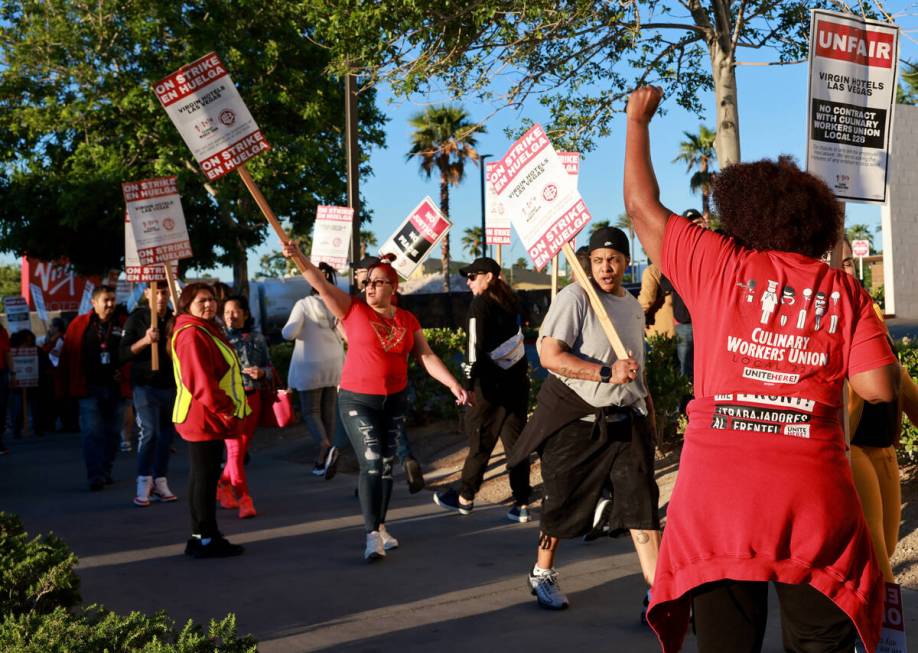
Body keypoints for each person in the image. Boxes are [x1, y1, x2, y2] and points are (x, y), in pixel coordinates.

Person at [624, 86, 900, 653]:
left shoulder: (715, 262)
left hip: (717, 497)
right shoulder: (841, 288)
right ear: (817, 224)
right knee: (820, 641)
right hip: (813, 496)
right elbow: (877, 387)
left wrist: (637, 123)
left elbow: (641, 207)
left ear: (743, 213)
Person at [283, 243, 470, 561]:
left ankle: (381, 527)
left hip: (394, 401)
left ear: (393, 287)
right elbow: (319, 282)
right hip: (358, 400)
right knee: (371, 463)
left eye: (377, 282)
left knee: (385, 467)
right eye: (367, 282)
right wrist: (299, 258)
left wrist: (454, 384)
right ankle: (371, 535)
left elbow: (425, 355)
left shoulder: (408, 320)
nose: (369, 287)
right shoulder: (353, 309)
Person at [508, 227, 661, 612]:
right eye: (597, 260)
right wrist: (606, 373)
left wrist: (649, 413)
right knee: (560, 503)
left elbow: (637, 369)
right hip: (578, 420)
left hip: (627, 417)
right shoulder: (574, 298)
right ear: (588, 263)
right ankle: (542, 572)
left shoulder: (631, 305)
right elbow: (549, 357)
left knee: (642, 508)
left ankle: (656, 594)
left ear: (626, 262)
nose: (605, 267)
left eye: (613, 259)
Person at [840, 239, 918, 586]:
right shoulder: (828, 315)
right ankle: (881, 624)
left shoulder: (868, 310)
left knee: (885, 545)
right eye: (836, 262)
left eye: (846, 262)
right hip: (853, 450)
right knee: (875, 556)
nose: (844, 270)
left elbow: (896, 375)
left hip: (883, 449)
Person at [433, 257, 532, 522]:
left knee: (480, 442)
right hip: (517, 386)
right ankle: (522, 503)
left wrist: (467, 387)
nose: (468, 281)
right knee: (517, 445)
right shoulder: (511, 303)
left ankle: (465, 498)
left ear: (489, 276)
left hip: (489, 389)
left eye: (473, 276)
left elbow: (473, 349)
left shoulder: (480, 304)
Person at [171, 282, 249, 559]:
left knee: (201, 476)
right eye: (201, 301)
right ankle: (205, 537)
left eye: (212, 300)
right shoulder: (192, 334)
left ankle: (202, 535)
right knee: (204, 478)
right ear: (187, 305)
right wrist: (223, 406)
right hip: (204, 415)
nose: (209, 305)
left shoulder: (202, 329)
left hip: (204, 414)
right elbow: (199, 379)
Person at [61, 285, 126, 491]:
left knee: (114, 433)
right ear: (93, 302)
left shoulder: (122, 323)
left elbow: (130, 352)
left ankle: (106, 469)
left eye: (112, 300)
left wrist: (123, 372)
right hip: (89, 388)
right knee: (92, 432)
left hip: (116, 388)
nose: (110, 304)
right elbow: (67, 355)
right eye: (105, 300)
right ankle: (95, 475)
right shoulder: (80, 325)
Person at [282, 262, 345, 476]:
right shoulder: (336, 302)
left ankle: (325, 446)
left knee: (311, 412)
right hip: (335, 361)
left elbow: (288, 333)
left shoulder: (303, 304)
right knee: (328, 412)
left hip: (309, 365)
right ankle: (324, 459)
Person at [120, 281, 178, 507]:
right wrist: (145, 340)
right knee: (150, 432)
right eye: (156, 292)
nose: (161, 297)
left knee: (166, 435)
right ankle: (144, 480)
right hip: (145, 384)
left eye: (164, 292)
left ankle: (160, 480)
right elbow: (123, 353)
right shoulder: (137, 318)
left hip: (170, 384)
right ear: (146, 293)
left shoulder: (175, 317)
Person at [218, 295, 272, 519]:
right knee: (235, 451)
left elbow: (269, 367)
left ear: (245, 314)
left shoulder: (257, 338)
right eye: (227, 312)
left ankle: (222, 485)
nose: (231, 315)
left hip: (252, 398)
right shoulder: (218, 339)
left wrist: (262, 373)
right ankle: (244, 499)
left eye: (235, 311)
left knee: (240, 451)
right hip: (229, 403)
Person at [0, 322, 8, 454]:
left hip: (0, 374)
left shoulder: (2, 332)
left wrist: (12, 373)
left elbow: (8, 353)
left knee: (1, 408)